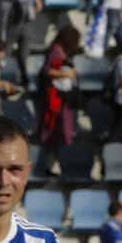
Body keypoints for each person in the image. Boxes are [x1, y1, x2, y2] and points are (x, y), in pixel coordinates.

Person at [33, 26, 81, 178]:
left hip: (63, 99)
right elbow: (47, 71)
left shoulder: (63, 51)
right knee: (52, 130)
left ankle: (60, 165)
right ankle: (47, 166)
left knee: (63, 133)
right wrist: (67, 74)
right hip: (54, 100)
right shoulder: (55, 50)